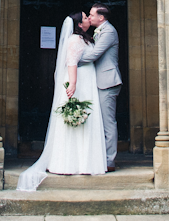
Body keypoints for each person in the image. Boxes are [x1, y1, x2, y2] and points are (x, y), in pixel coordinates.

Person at [16, 11, 106, 191]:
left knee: (86, 122)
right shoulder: (74, 40)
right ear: (79, 24)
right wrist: (73, 84)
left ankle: (86, 163)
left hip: (87, 81)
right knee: (75, 121)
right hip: (79, 82)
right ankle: (68, 164)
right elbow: (71, 62)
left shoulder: (84, 39)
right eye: (85, 17)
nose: (88, 18)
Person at [78, 3, 122, 172]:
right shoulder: (101, 30)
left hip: (108, 81)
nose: (89, 18)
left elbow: (96, 53)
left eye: (92, 15)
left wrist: (74, 61)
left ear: (101, 18)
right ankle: (101, 157)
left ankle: (110, 160)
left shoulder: (109, 31)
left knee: (108, 122)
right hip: (99, 81)